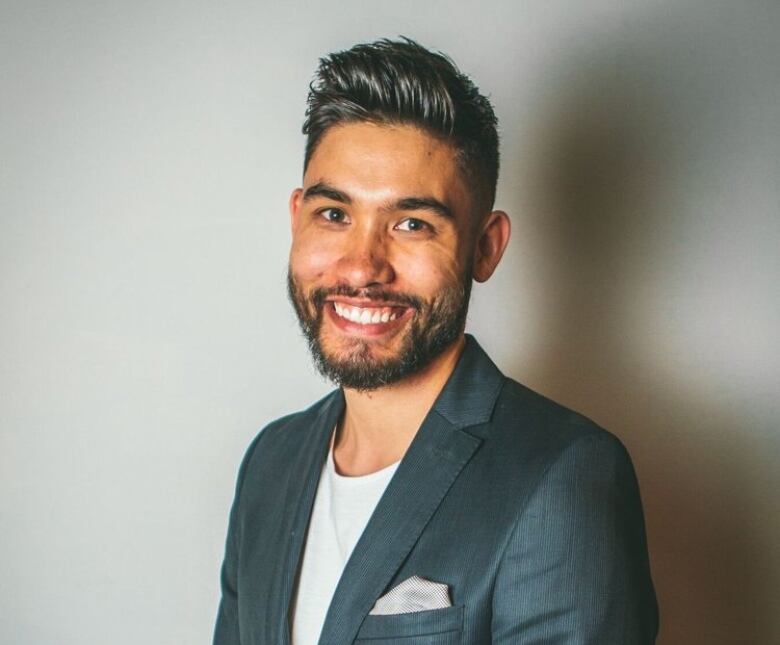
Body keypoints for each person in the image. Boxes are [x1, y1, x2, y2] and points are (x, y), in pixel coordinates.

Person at [213, 38, 658, 645]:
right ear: (297, 218)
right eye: (334, 214)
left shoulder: (563, 475)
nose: (362, 266)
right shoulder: (270, 462)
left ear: (485, 246)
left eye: (411, 224)